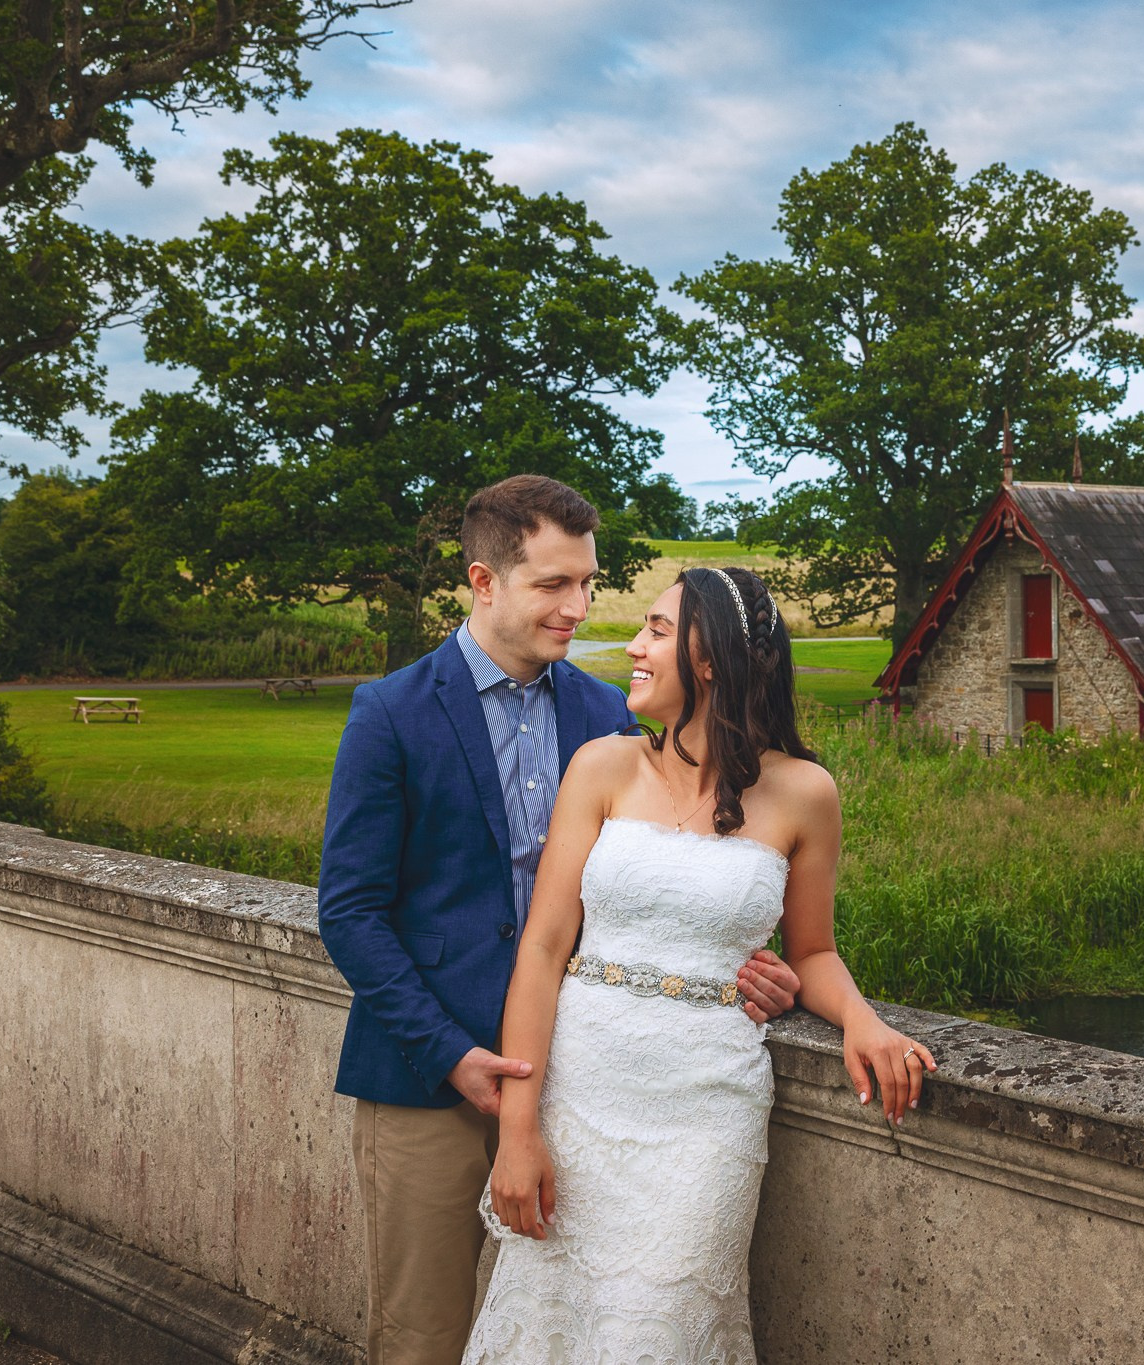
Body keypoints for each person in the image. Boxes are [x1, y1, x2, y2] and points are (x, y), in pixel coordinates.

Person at [317, 475, 804, 1365]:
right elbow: (349, 912)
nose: (579, 606)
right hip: (429, 1078)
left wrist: (743, 962)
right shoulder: (389, 712)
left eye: (587, 581)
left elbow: (678, 866)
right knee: (422, 1340)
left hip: (581, 1088)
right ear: (484, 580)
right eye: (553, 584)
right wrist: (450, 1052)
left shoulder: (608, 714)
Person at [462, 565, 937, 1363]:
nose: (630, 646)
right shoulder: (600, 768)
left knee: (659, 1333)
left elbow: (812, 951)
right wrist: (518, 1128)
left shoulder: (805, 793)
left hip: (705, 1116)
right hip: (580, 1099)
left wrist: (862, 1019)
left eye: (653, 629)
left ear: (709, 657)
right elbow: (543, 950)